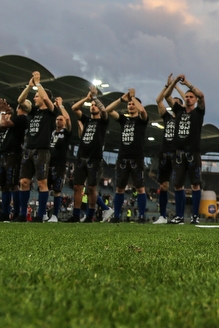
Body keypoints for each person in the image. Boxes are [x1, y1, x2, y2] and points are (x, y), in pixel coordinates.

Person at [164, 74, 206, 225]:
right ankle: (179, 216)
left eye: (190, 97)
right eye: (186, 97)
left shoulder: (199, 112)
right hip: (179, 154)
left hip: (193, 153)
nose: (188, 98)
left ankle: (195, 216)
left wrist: (187, 83)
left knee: (195, 184)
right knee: (177, 185)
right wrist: (174, 82)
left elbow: (201, 95)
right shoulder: (179, 111)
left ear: (194, 100)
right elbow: (166, 96)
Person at [15, 72, 56, 222]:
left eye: (36, 96)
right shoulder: (34, 111)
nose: (34, 97)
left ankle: (40, 215)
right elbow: (20, 101)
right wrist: (29, 86)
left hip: (42, 150)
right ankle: (22, 214)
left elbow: (46, 98)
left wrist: (38, 83)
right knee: (24, 182)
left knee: (41, 183)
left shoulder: (52, 112)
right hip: (28, 149)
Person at [105, 88, 150, 224]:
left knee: (140, 188)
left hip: (137, 158)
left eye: (132, 104)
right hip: (122, 158)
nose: (130, 106)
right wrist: (121, 99)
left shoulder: (142, 120)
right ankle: (117, 216)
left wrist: (133, 98)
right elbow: (108, 110)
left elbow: (143, 111)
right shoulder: (124, 120)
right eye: (129, 104)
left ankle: (141, 216)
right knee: (119, 188)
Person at [71, 86, 110, 223]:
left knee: (92, 187)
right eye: (91, 105)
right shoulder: (87, 120)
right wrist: (86, 98)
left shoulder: (103, 122)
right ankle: (75, 215)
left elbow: (105, 111)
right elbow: (74, 108)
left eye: (95, 105)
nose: (93, 107)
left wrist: (94, 97)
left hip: (95, 158)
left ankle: (89, 216)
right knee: (77, 186)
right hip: (81, 156)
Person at [152, 74, 183, 224]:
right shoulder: (167, 118)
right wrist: (167, 86)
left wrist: (177, 86)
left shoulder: (184, 118)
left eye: (176, 103)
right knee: (163, 185)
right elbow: (159, 100)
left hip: (177, 154)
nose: (173, 105)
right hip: (164, 153)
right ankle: (162, 216)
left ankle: (180, 216)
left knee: (178, 185)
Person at [45, 98, 71, 222]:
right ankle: (44, 214)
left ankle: (55, 215)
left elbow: (68, 119)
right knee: (43, 188)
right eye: (57, 119)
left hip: (59, 166)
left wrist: (61, 106)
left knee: (56, 190)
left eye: (61, 119)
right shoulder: (51, 132)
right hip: (48, 164)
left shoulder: (66, 133)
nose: (58, 121)